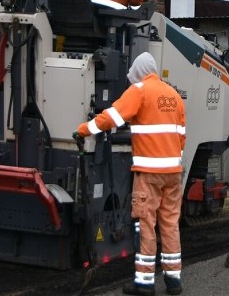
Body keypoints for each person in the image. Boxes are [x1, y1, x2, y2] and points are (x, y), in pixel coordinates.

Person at [75, 52, 186, 296]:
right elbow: (182, 136)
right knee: (169, 224)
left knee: (146, 224)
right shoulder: (174, 96)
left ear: (138, 73)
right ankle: (173, 279)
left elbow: (112, 118)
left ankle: (145, 282)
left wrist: (84, 130)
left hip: (149, 173)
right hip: (173, 173)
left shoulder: (140, 91)